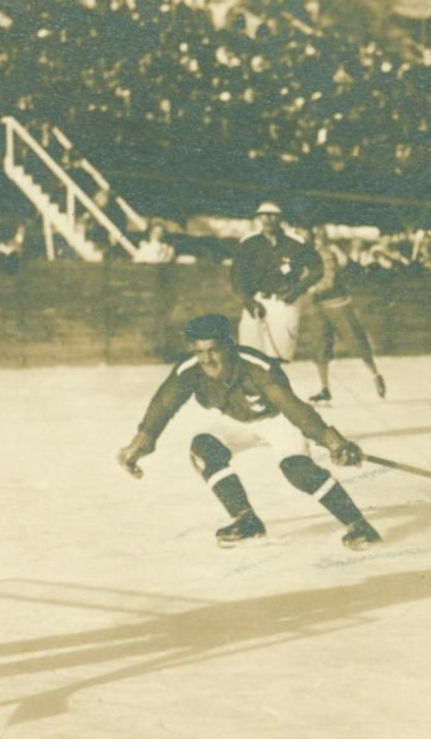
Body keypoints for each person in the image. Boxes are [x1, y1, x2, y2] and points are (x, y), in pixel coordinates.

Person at [117, 314, 381, 551]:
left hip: (278, 420)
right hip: (238, 420)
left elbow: (293, 408)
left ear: (228, 346)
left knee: (297, 471)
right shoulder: (191, 369)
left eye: (213, 350)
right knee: (203, 448)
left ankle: (358, 525)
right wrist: (141, 442)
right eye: (199, 352)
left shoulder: (256, 366)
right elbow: (164, 403)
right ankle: (246, 520)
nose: (206, 359)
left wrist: (332, 442)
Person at [302, 226, 386, 405]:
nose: (317, 237)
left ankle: (375, 373)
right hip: (319, 305)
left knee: (355, 341)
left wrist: (311, 289)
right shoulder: (306, 252)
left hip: (337, 302)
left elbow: (334, 275)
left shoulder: (330, 251)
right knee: (320, 346)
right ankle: (325, 388)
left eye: (319, 234)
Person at [230, 201, 322, 361]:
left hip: (284, 303)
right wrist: (248, 300)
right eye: (264, 214)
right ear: (258, 217)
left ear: (281, 217)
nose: (268, 219)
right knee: (249, 356)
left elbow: (317, 269)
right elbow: (236, 276)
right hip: (256, 302)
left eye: (273, 215)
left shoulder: (295, 243)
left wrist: (296, 291)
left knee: (278, 358)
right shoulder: (249, 243)